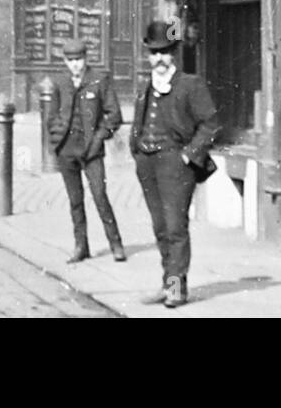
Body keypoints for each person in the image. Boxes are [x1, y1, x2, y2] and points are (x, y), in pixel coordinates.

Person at [129, 20, 219, 308]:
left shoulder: (190, 85)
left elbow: (211, 124)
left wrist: (188, 154)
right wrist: (138, 151)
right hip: (148, 163)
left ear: (175, 52)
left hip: (175, 165)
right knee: (159, 227)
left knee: (175, 227)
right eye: (154, 53)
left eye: (165, 52)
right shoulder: (147, 87)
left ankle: (176, 289)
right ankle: (167, 283)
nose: (159, 59)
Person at [47, 37, 126, 263]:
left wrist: (100, 137)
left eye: (79, 60)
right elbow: (51, 117)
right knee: (75, 200)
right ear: (65, 61)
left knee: (100, 196)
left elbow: (114, 115)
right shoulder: (59, 83)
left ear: (86, 59)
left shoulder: (99, 80)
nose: (75, 65)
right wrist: (57, 141)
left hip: (92, 151)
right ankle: (81, 246)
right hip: (67, 150)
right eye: (70, 60)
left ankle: (116, 244)